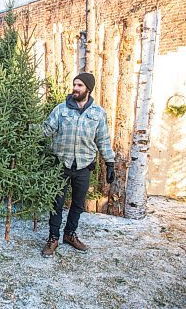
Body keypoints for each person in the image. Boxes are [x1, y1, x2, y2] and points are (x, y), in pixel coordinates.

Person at [41, 72, 115, 258]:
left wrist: (110, 162)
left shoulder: (98, 113)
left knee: (78, 204)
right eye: (74, 84)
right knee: (56, 203)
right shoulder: (61, 110)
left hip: (83, 166)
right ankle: (53, 238)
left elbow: (103, 139)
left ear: (88, 89)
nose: (75, 88)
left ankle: (69, 234)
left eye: (80, 85)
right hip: (61, 165)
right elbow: (46, 129)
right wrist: (25, 132)